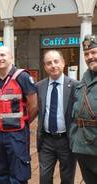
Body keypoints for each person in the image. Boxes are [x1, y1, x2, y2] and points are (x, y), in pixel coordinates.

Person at [0, 46, 38, 184]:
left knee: (18, 174)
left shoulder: (23, 76)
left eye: (2, 55)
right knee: (1, 172)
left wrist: (24, 122)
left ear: (11, 57)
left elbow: (34, 105)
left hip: (17, 134)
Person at [37, 50, 77, 184]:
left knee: (67, 178)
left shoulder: (75, 86)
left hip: (67, 140)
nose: (53, 65)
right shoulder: (39, 86)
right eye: (49, 63)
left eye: (56, 61)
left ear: (63, 63)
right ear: (45, 67)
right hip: (46, 140)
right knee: (44, 177)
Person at [70, 34, 97, 184]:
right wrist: (73, 139)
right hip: (82, 148)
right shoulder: (83, 81)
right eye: (87, 54)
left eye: (94, 52)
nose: (90, 57)